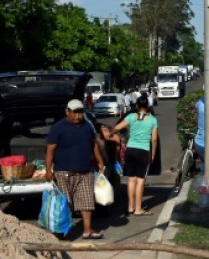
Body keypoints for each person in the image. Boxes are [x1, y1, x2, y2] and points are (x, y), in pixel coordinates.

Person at [45, 99, 105, 240]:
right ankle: (61, 232)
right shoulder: (58, 128)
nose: (78, 116)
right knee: (65, 204)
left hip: (85, 172)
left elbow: (94, 145)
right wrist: (49, 170)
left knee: (87, 202)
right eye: (75, 112)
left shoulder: (87, 126)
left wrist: (100, 162)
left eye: (80, 112)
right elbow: (50, 150)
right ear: (67, 112)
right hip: (64, 173)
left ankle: (87, 230)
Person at [111, 96, 157, 216]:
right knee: (140, 180)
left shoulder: (131, 117)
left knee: (131, 180)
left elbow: (117, 128)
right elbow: (154, 139)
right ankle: (138, 208)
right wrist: (153, 155)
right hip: (143, 151)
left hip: (130, 150)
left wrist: (109, 134)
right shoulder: (152, 120)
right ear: (147, 106)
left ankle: (130, 207)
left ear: (136, 106)